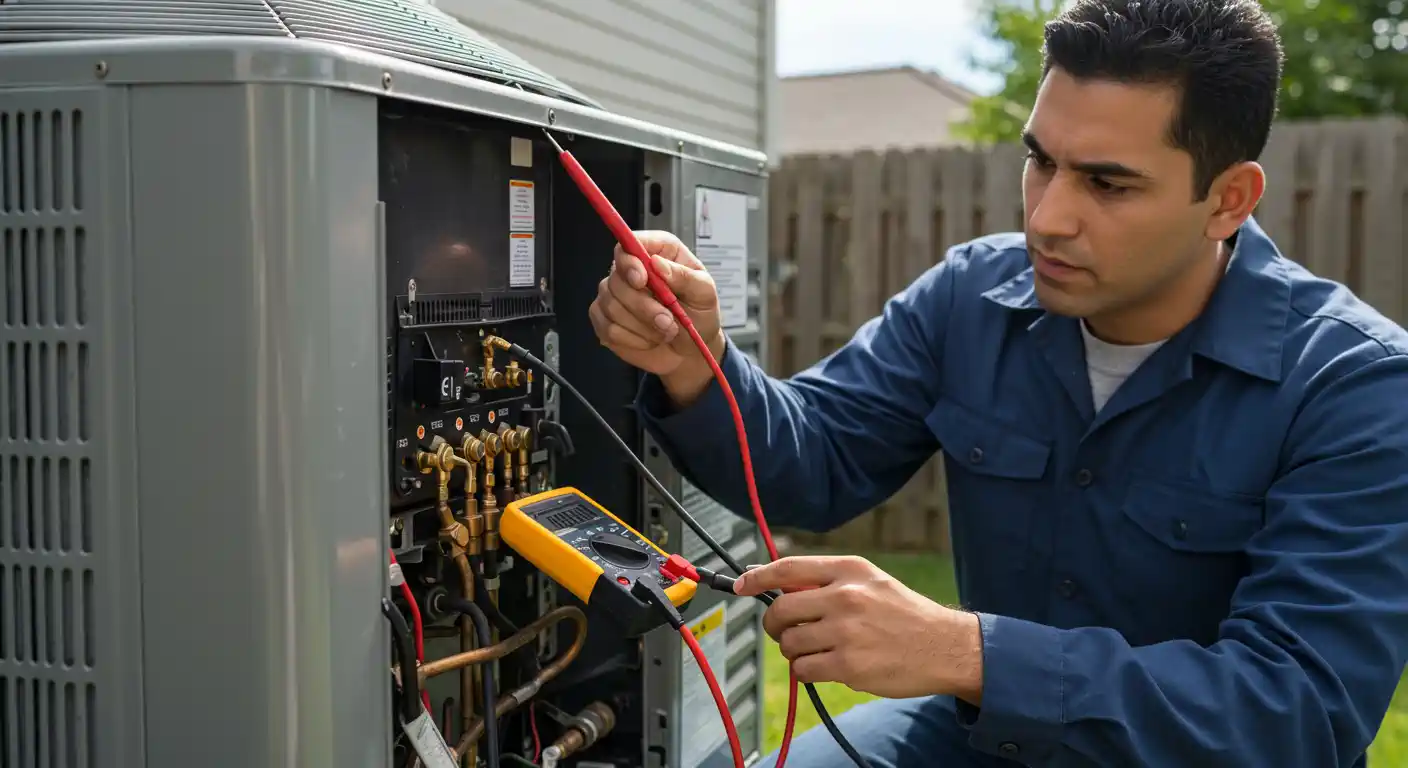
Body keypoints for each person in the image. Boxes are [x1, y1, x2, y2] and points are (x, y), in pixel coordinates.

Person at [589, 0, 1408, 765]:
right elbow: (817, 460)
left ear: (1227, 200)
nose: (1048, 216)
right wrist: (697, 365)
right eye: (1040, 162)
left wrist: (965, 652)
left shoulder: (1356, 385)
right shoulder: (971, 298)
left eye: (1107, 183)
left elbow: (1300, 711)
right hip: (985, 736)